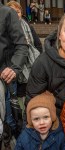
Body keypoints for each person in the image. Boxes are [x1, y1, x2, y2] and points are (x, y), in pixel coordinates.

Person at [0, 1, 28, 149]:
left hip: (5, 79)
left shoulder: (6, 13)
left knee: (9, 120)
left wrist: (14, 67)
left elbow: (22, 45)